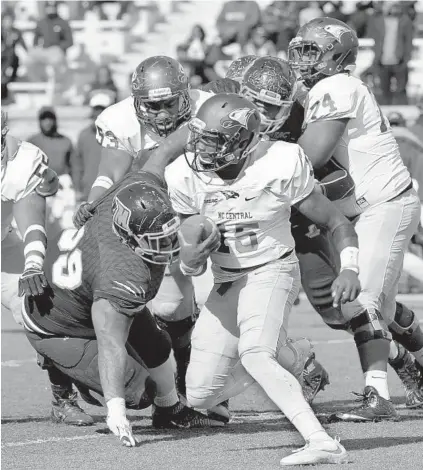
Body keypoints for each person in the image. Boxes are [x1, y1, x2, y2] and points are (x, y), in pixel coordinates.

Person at [165, 92, 361, 466]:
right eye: (201, 138)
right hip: (225, 279)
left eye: (215, 140)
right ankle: (295, 356)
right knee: (200, 396)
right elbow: (190, 262)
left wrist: (349, 266)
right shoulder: (183, 176)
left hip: (271, 270)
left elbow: (336, 222)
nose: (204, 149)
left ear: (242, 140)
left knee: (255, 354)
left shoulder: (279, 161)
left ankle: (321, 441)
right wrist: (189, 257)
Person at [240, 54, 423, 408]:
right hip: (252, 224)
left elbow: (322, 168)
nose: (259, 111)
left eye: (268, 103)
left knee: (340, 305)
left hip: (302, 217)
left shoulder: (302, 110)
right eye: (252, 101)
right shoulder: (220, 117)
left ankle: (391, 371)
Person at [22, 161, 223, 447]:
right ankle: (62, 367)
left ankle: (171, 410)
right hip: (56, 324)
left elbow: (156, 154)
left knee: (158, 347)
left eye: (167, 236)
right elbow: (111, 344)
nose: (167, 246)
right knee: (140, 392)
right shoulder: (122, 273)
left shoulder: (132, 200)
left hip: (88, 295)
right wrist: (116, 411)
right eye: (156, 240)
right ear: (128, 237)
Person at [288, 17, 422, 419]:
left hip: (383, 203)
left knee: (360, 300)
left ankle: (377, 396)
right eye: (301, 49)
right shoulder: (320, 88)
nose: (303, 58)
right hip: (365, 207)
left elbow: (308, 157)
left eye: (313, 50)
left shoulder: (337, 86)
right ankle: (412, 366)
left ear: (338, 55)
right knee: (379, 307)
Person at [72, 56, 213, 397]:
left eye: (169, 103)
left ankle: (214, 390)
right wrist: (93, 200)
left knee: (218, 303)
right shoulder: (119, 120)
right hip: (161, 220)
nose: (162, 114)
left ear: (185, 94)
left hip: (214, 208)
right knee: (170, 309)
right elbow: (110, 172)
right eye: (153, 105)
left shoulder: (208, 109)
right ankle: (183, 378)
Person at [365, 1, 414, 105]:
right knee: (384, 91)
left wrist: (406, 59)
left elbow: (409, 41)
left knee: (401, 90)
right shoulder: (378, 21)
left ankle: (400, 114)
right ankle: (385, 115)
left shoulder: (405, 21)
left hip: (399, 61)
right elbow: (372, 37)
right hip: (381, 60)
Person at [76, 93, 115, 200]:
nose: (98, 113)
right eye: (96, 109)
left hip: (111, 193)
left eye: (102, 109)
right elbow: (77, 165)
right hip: (88, 193)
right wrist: (77, 189)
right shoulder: (84, 135)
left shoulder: (119, 135)